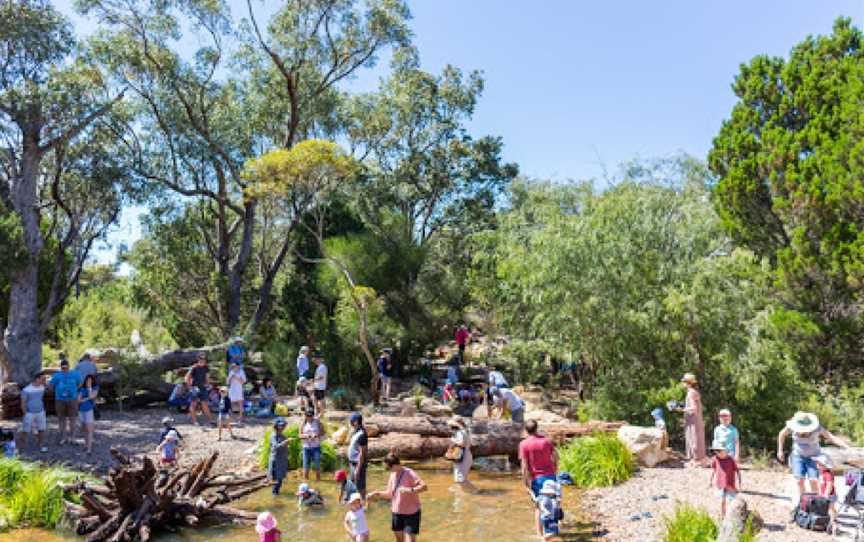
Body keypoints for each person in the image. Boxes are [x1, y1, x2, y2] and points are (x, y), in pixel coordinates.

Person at [777, 411, 850, 500]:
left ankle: (815, 503)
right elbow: (782, 434)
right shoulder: (791, 427)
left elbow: (831, 437)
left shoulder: (817, 428)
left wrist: (846, 447)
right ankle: (803, 503)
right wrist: (780, 450)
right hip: (798, 456)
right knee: (799, 481)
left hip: (814, 457)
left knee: (814, 481)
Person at [368, 453, 427, 542]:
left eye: (388, 468)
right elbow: (389, 494)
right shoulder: (393, 475)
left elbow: (424, 487)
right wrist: (377, 494)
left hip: (412, 513)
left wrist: (410, 490)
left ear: (395, 465)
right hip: (397, 512)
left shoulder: (409, 473)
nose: (387, 470)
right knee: (399, 540)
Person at [519, 420, 558, 538]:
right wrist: (555, 470)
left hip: (537, 479)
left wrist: (525, 482)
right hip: (550, 476)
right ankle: (552, 530)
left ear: (526, 430)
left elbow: (524, 466)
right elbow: (556, 457)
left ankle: (540, 535)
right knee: (552, 502)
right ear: (537, 428)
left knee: (538, 506)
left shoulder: (523, 444)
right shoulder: (547, 441)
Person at [675, 373, 707, 467]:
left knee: (693, 438)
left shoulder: (690, 393)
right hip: (695, 419)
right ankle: (698, 460)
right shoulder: (693, 392)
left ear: (687, 383)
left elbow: (693, 408)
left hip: (693, 420)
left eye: (684, 381)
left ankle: (696, 461)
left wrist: (681, 409)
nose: (682, 383)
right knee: (696, 438)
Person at [49, 357, 82, 445]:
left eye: (66, 367)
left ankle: (73, 438)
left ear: (69, 366)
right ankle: (63, 438)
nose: (64, 369)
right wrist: (58, 392)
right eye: (63, 368)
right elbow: (51, 386)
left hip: (72, 399)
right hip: (60, 400)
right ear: (60, 367)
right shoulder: (57, 375)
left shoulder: (76, 374)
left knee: (73, 419)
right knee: (61, 419)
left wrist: (74, 391)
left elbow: (79, 384)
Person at [709, 441, 741, 519]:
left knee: (731, 501)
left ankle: (731, 516)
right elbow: (713, 470)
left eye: (720, 451)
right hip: (720, 484)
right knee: (721, 501)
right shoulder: (715, 459)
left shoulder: (731, 460)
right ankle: (723, 516)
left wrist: (740, 484)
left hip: (730, 484)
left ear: (726, 451)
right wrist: (710, 480)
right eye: (716, 451)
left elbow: (737, 471)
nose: (718, 453)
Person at [19, 372, 48, 453]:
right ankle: (22, 448)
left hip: (41, 412)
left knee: (42, 429)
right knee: (25, 430)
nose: (44, 380)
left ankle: (41, 445)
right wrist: (25, 414)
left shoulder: (42, 387)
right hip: (29, 413)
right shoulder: (26, 389)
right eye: (43, 379)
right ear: (37, 379)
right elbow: (23, 402)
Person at [448, 417, 476, 492]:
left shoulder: (460, 432)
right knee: (460, 479)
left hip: (463, 455)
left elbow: (461, 443)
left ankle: (475, 490)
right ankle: (464, 494)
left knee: (460, 480)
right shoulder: (464, 431)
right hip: (464, 455)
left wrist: (453, 441)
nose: (450, 427)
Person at [185, 354, 213, 426]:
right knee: (193, 404)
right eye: (201, 359)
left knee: (205, 405)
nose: (202, 361)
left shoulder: (206, 368)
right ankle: (194, 421)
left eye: (204, 360)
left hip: (203, 388)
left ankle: (210, 420)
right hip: (195, 388)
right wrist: (190, 388)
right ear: (198, 360)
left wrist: (208, 385)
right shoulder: (194, 368)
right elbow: (187, 378)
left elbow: (207, 378)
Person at [347, 412, 369, 498]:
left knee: (360, 486)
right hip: (352, 463)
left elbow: (362, 454)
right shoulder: (355, 432)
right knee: (353, 483)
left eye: (351, 421)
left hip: (358, 464)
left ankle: (364, 503)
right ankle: (355, 501)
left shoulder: (362, 434)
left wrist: (358, 469)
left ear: (356, 422)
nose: (350, 423)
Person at [300, 407, 325, 481]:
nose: (309, 417)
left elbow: (323, 432)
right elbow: (300, 435)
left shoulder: (317, 422)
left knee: (317, 464)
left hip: (316, 447)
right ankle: (305, 481)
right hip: (306, 447)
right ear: (305, 415)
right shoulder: (303, 423)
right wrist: (306, 436)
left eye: (310, 415)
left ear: (313, 415)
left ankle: (318, 480)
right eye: (307, 415)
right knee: (305, 465)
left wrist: (316, 435)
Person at [813, 454, 837, 527]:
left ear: (824, 465)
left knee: (830, 509)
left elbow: (830, 484)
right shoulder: (822, 473)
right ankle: (835, 517)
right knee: (831, 508)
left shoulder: (828, 474)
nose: (817, 465)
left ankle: (833, 522)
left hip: (830, 495)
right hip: (826, 494)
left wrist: (826, 494)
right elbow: (821, 484)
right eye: (817, 463)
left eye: (819, 464)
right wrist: (820, 492)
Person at [77, 374, 98, 454]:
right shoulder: (82, 388)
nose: (88, 382)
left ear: (92, 381)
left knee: (89, 430)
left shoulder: (95, 388)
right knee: (84, 429)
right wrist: (86, 398)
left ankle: (89, 448)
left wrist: (89, 388)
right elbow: (78, 400)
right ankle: (86, 445)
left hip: (89, 410)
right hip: (81, 410)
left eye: (90, 380)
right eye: (87, 380)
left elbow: (92, 396)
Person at [268, 418, 290, 495]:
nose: (283, 427)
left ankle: (276, 496)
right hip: (275, 461)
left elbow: (284, 446)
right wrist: (285, 442)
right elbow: (276, 447)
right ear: (276, 426)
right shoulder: (273, 436)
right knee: (275, 482)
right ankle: (274, 498)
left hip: (282, 461)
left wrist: (287, 444)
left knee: (280, 481)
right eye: (281, 425)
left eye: (284, 425)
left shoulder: (282, 435)